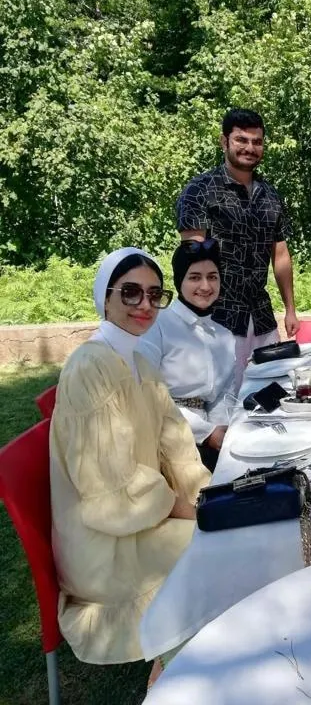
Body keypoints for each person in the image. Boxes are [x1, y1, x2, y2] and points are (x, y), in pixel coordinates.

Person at [49, 247, 211, 680]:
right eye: (131, 293)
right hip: (106, 541)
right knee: (208, 550)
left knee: (226, 532)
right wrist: (188, 513)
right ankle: (168, 677)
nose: (144, 305)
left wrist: (206, 498)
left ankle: (187, 662)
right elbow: (114, 486)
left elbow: (175, 443)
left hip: (143, 517)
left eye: (154, 295)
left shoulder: (138, 359)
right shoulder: (90, 366)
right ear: (105, 298)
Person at [176, 108, 300, 385]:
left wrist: (290, 308)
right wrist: (197, 319)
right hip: (218, 317)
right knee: (223, 397)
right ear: (224, 142)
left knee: (275, 389)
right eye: (241, 140)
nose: (250, 148)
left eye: (257, 142)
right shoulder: (200, 191)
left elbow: (279, 254)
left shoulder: (270, 195)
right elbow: (191, 258)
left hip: (261, 312)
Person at [138, 239, 236, 472]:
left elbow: (224, 393)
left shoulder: (222, 333)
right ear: (179, 280)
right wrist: (207, 432)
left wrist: (220, 428)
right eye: (194, 277)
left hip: (212, 438)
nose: (205, 286)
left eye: (213, 276)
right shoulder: (156, 326)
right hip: (166, 438)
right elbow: (148, 395)